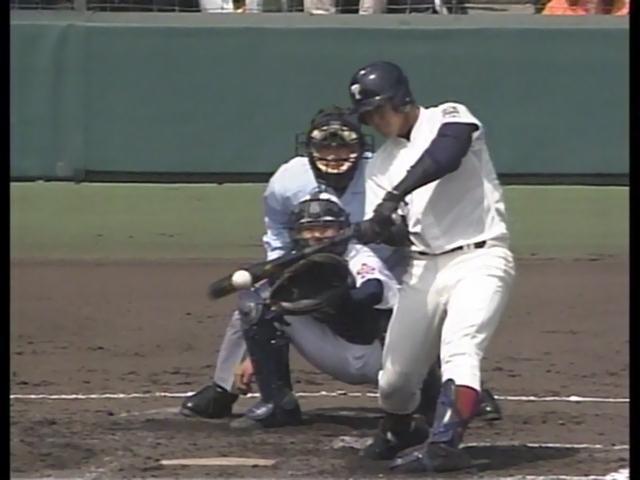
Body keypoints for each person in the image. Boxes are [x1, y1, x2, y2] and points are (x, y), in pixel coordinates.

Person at [180, 106, 502, 431]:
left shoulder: (383, 170)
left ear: (360, 146)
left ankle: (461, 388)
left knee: (428, 303)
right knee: (259, 299)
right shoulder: (287, 181)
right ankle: (230, 389)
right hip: (316, 267)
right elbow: (278, 243)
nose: (334, 155)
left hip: (392, 264)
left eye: (344, 145)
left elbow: (405, 235)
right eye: (325, 146)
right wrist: (265, 340)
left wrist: (351, 287)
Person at [348, 61, 516, 472]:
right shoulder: (380, 164)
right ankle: (399, 430)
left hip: (480, 257)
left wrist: (395, 196)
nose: (375, 121)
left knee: (461, 348)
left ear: (401, 99)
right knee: (395, 381)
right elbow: (400, 232)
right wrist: (379, 228)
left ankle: (444, 445)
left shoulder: (450, 116)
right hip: (423, 268)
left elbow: (446, 155)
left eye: (379, 110)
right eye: (367, 115)